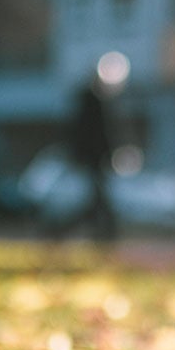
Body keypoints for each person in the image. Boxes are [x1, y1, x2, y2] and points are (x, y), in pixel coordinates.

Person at [67, 72, 117, 239]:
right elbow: (100, 133)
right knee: (98, 198)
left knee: (96, 197)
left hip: (92, 157)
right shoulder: (95, 104)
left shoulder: (86, 104)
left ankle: (98, 227)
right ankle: (103, 229)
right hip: (95, 158)